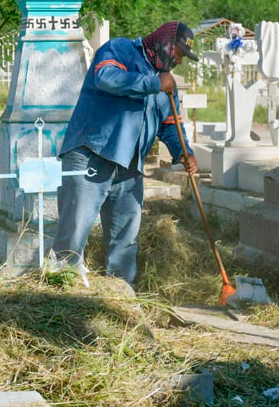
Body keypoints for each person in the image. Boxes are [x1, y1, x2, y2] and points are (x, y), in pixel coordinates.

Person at [52, 21, 199, 287]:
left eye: (182, 57)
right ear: (164, 43)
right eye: (176, 52)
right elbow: (106, 78)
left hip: (130, 167)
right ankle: (61, 293)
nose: (178, 60)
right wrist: (153, 83)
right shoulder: (119, 50)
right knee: (73, 235)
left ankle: (120, 303)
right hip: (91, 154)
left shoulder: (167, 84)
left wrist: (184, 152)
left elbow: (170, 124)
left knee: (125, 241)